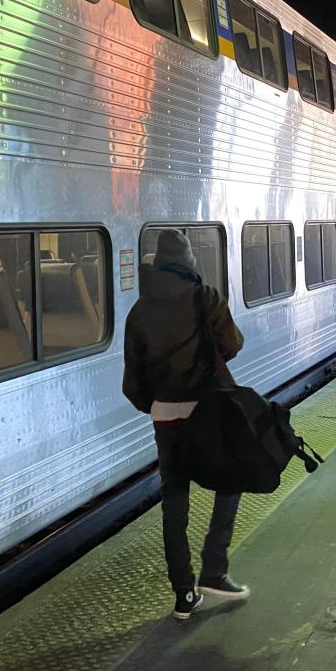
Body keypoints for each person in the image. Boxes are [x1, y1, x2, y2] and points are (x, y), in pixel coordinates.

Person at [122, 230, 250, 619]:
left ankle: (183, 595)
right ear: (189, 261)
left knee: (174, 504)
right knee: (230, 481)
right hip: (206, 412)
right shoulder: (204, 297)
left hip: (166, 417)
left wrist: (159, 405)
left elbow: (133, 380)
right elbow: (233, 344)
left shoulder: (139, 310)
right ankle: (214, 569)